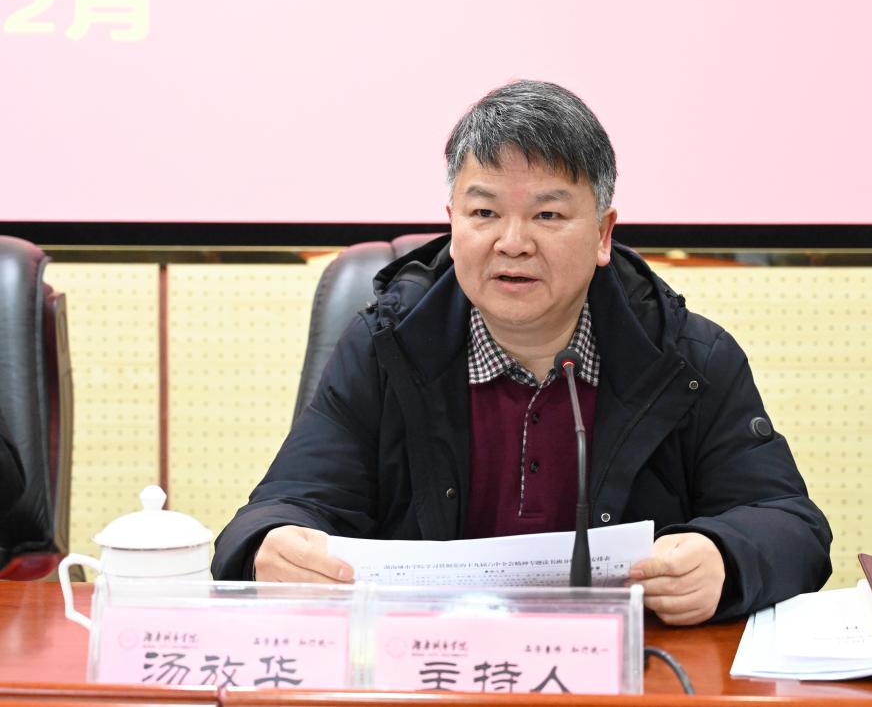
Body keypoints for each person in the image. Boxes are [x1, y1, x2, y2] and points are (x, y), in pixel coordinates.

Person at [213, 80, 831, 625]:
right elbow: (284, 505)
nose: (513, 242)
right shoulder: (385, 349)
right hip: (427, 671)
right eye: (484, 212)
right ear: (453, 223)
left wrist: (725, 558)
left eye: (548, 215)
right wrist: (270, 546)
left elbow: (790, 525)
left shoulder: (687, 358)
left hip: (627, 677)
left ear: (603, 234)